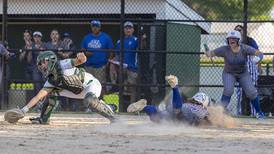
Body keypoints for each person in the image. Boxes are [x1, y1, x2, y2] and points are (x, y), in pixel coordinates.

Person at [5, 51, 115, 124]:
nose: (41, 66)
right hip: (76, 91)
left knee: (90, 101)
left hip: (90, 85)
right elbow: (38, 97)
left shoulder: (62, 64)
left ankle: (113, 118)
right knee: (51, 93)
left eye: (43, 62)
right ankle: (44, 119)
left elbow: (80, 61)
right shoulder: (50, 80)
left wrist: (82, 57)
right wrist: (24, 110)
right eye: (40, 64)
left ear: (51, 60)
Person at [205, 30, 264, 119]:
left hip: (243, 73)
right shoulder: (224, 49)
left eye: (234, 39)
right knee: (228, 90)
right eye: (229, 39)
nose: (231, 40)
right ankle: (218, 114)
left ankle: (259, 113)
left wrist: (258, 58)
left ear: (238, 40)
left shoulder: (244, 48)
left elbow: (259, 53)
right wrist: (208, 52)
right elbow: (211, 54)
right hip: (229, 73)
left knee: (252, 92)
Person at [127, 75, 210, 125]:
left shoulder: (190, 105)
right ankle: (175, 87)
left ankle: (144, 107)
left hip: (172, 112)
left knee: (157, 117)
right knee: (177, 111)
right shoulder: (200, 109)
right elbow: (209, 118)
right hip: (179, 112)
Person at [81, 20, 114, 95]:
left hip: (100, 66)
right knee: (88, 85)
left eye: (96, 26)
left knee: (101, 85)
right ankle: (88, 103)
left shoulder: (106, 37)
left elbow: (111, 51)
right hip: (89, 66)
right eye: (93, 26)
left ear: (100, 27)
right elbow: (82, 49)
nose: (95, 28)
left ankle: (102, 102)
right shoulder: (86, 38)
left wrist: (108, 63)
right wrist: (86, 53)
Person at [234, 25, 260, 116]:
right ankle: (239, 113)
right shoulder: (232, 42)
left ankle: (255, 113)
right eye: (236, 30)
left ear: (244, 31)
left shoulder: (250, 40)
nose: (238, 31)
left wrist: (259, 65)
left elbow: (258, 53)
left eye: (240, 30)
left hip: (251, 69)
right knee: (239, 93)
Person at [110, 21, 138, 102]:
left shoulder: (136, 40)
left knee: (132, 87)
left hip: (132, 67)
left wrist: (143, 38)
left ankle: (132, 107)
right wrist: (113, 64)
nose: (128, 30)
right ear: (123, 30)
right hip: (121, 67)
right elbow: (117, 55)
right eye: (126, 28)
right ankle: (120, 107)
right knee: (121, 86)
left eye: (130, 28)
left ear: (133, 30)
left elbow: (142, 47)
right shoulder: (119, 41)